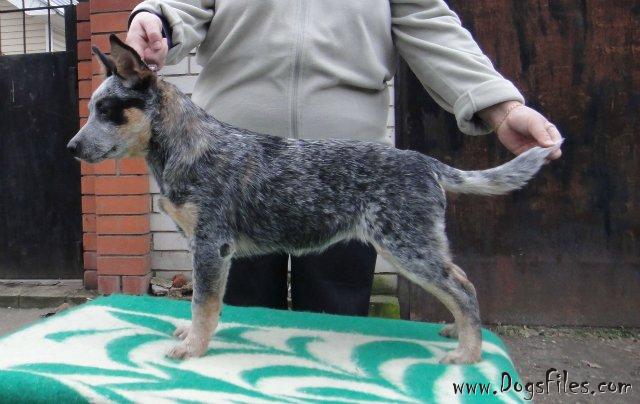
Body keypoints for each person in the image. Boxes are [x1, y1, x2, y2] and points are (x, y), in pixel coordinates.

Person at [126, 0, 562, 316]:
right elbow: (184, 7)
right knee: (242, 330)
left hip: (350, 176)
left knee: (335, 328)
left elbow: (430, 24)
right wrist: (155, 17)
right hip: (231, 174)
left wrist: (502, 107)